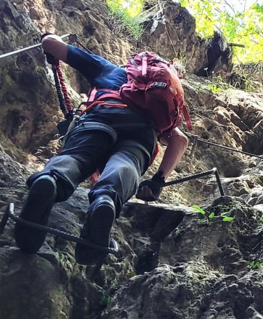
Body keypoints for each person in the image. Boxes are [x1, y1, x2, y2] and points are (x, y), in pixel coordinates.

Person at [14, 34, 189, 264]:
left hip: (102, 115)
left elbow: (51, 44)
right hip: (142, 133)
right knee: (126, 162)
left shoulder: (111, 70)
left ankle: (53, 180)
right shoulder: (163, 102)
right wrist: (157, 181)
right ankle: (106, 200)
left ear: (134, 66)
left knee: (78, 157)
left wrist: (49, 41)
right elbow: (179, 140)